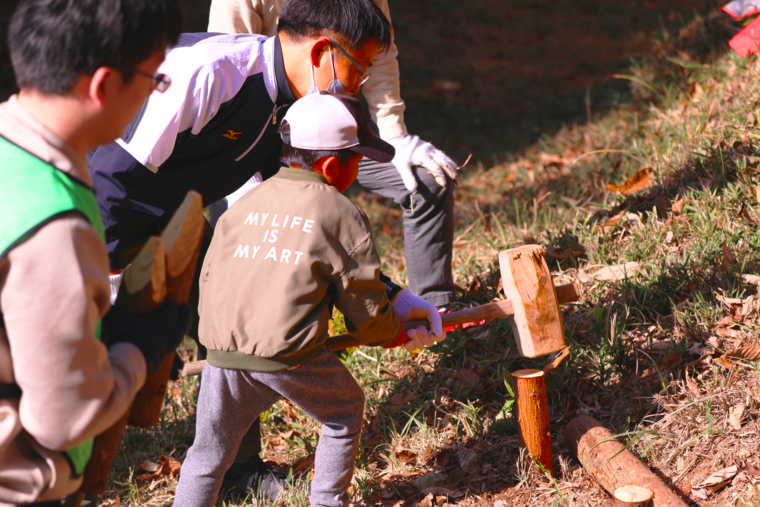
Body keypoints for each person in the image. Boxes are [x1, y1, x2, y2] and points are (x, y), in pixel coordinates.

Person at [87, 0, 445, 498]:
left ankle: (234, 471)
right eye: (359, 71)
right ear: (323, 52)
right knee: (59, 411)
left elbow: (297, 229)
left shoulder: (294, 116)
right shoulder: (205, 73)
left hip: (174, 225)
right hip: (71, 229)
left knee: (234, 325)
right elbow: (107, 182)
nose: (360, 88)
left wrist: (395, 297)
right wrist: (103, 301)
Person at [173, 91, 443, 507]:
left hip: (222, 352)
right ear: (333, 165)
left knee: (207, 454)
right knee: (344, 412)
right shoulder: (338, 211)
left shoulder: (245, 203)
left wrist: (401, 304)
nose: (361, 167)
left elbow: (210, 276)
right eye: (358, 158)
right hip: (286, 354)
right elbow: (363, 300)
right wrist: (391, 332)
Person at [0, 0, 189, 505]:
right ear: (105, 84)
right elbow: (65, 418)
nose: (155, 93)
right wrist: (138, 348)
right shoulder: (52, 223)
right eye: (156, 79)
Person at [207, 0, 459, 310]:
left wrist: (395, 135)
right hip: (256, 132)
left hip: (335, 122)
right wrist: (248, 182)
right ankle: (230, 341)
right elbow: (230, 64)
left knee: (425, 179)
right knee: (244, 241)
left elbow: (378, 53)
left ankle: (437, 311)